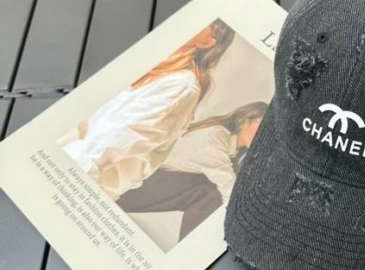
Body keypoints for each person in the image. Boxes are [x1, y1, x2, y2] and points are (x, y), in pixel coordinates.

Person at [59, 20, 234, 200]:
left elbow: (119, 139)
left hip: (79, 180)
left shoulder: (182, 85)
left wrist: (70, 162)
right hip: (68, 157)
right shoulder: (154, 63)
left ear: (206, 42)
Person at [117, 101, 267, 241]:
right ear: (244, 120)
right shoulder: (215, 137)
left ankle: (192, 245)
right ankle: (190, 246)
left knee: (215, 192)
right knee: (213, 192)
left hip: (153, 186)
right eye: (261, 127)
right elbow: (229, 189)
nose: (263, 136)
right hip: (136, 189)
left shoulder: (233, 150)